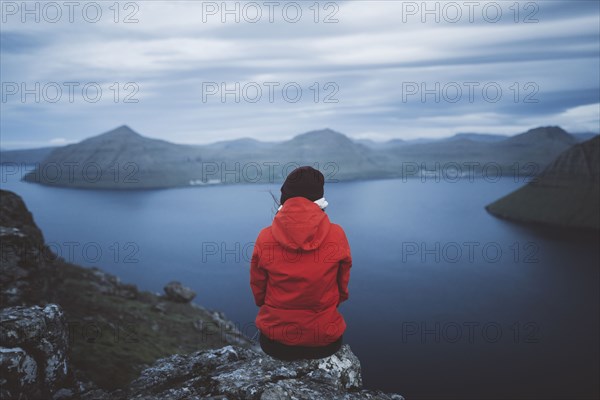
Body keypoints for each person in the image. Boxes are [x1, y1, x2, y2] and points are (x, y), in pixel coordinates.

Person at [250, 166, 352, 361]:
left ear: (283, 200)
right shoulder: (337, 234)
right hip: (324, 341)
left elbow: (258, 290)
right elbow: (342, 287)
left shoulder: (265, 237)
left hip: (276, 342)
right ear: (319, 201)